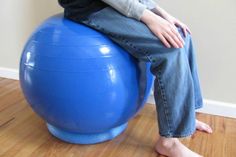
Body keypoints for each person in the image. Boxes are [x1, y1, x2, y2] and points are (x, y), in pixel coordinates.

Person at [58, 0, 213, 156]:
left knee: (181, 35)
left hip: (114, 4)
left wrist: (161, 14)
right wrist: (150, 18)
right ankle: (168, 142)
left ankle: (186, 116)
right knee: (170, 50)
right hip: (89, 7)